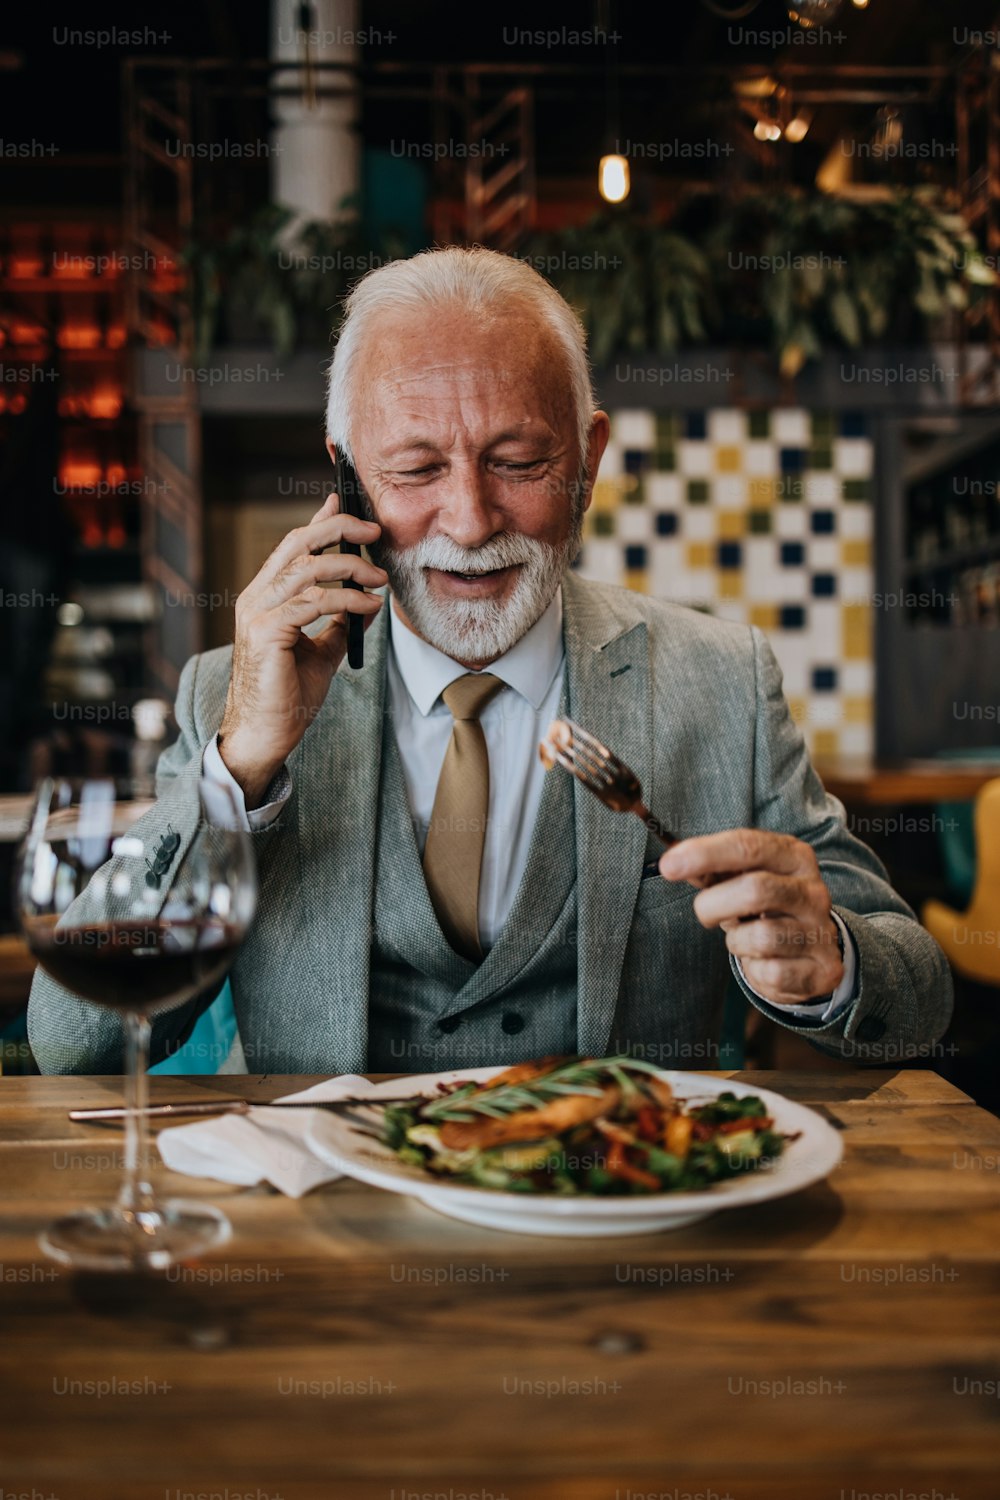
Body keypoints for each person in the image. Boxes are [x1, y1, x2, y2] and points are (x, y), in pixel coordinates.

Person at [28, 247, 952, 1075]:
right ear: (346, 472)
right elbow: (75, 1041)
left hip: (618, 1220)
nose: (469, 522)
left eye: (517, 461)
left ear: (586, 461)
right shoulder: (224, 699)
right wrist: (239, 768)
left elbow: (915, 1007)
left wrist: (826, 958)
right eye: (417, 470)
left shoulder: (724, 680)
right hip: (331, 1235)